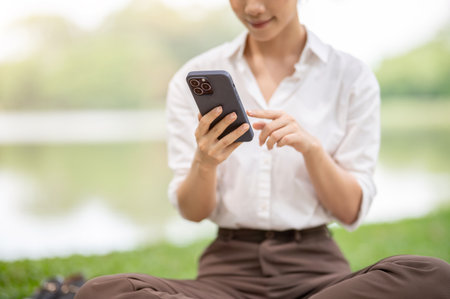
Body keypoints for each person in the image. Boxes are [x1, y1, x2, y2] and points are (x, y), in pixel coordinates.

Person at [75, 0, 450, 298]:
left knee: (432, 274)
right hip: (225, 278)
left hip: (319, 277)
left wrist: (312, 150)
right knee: (103, 292)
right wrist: (204, 162)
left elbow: (350, 210)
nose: (252, 7)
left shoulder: (350, 77)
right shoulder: (196, 75)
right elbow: (192, 212)